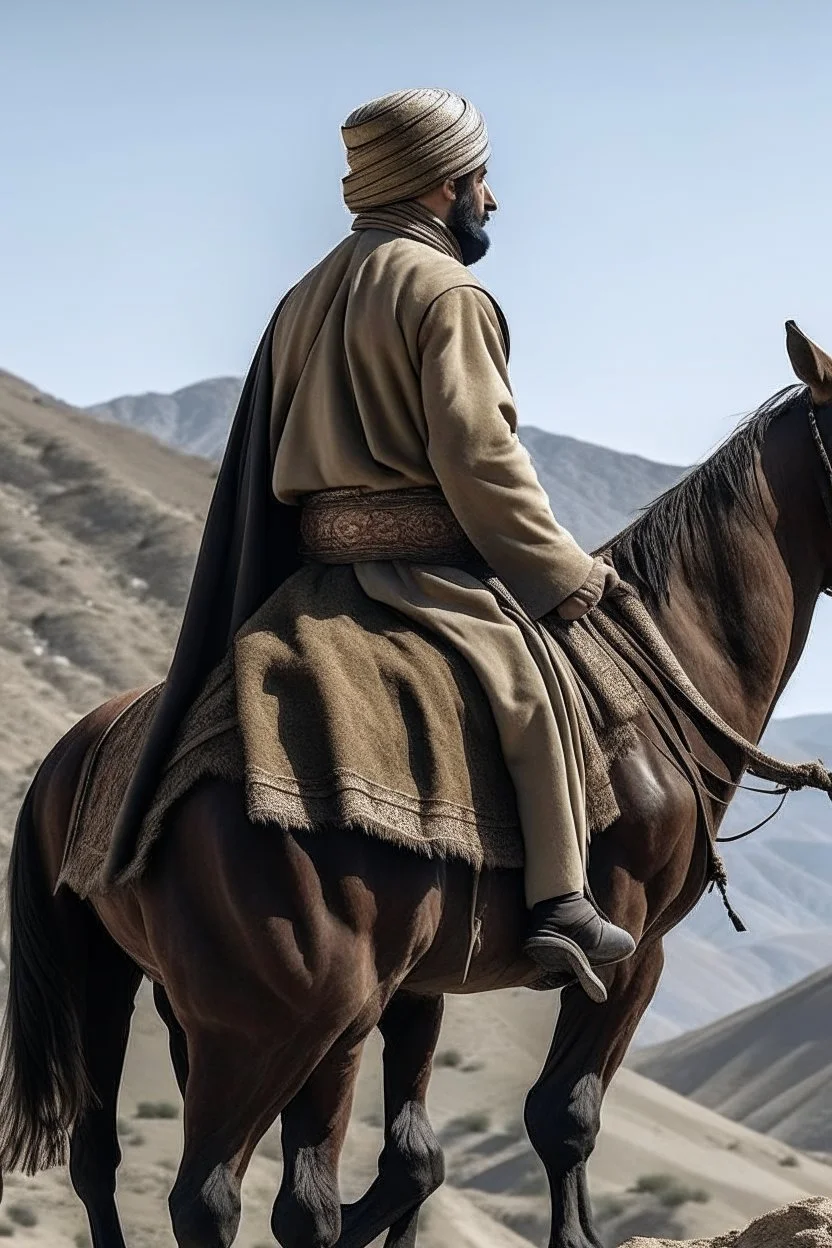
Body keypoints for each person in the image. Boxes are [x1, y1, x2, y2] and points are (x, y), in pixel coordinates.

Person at [106, 87, 635, 1001]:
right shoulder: (449, 290)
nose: (491, 199)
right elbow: (480, 457)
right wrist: (563, 573)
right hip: (423, 575)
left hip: (310, 581)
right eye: (480, 178)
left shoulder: (305, 292)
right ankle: (559, 902)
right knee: (532, 691)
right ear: (441, 186)